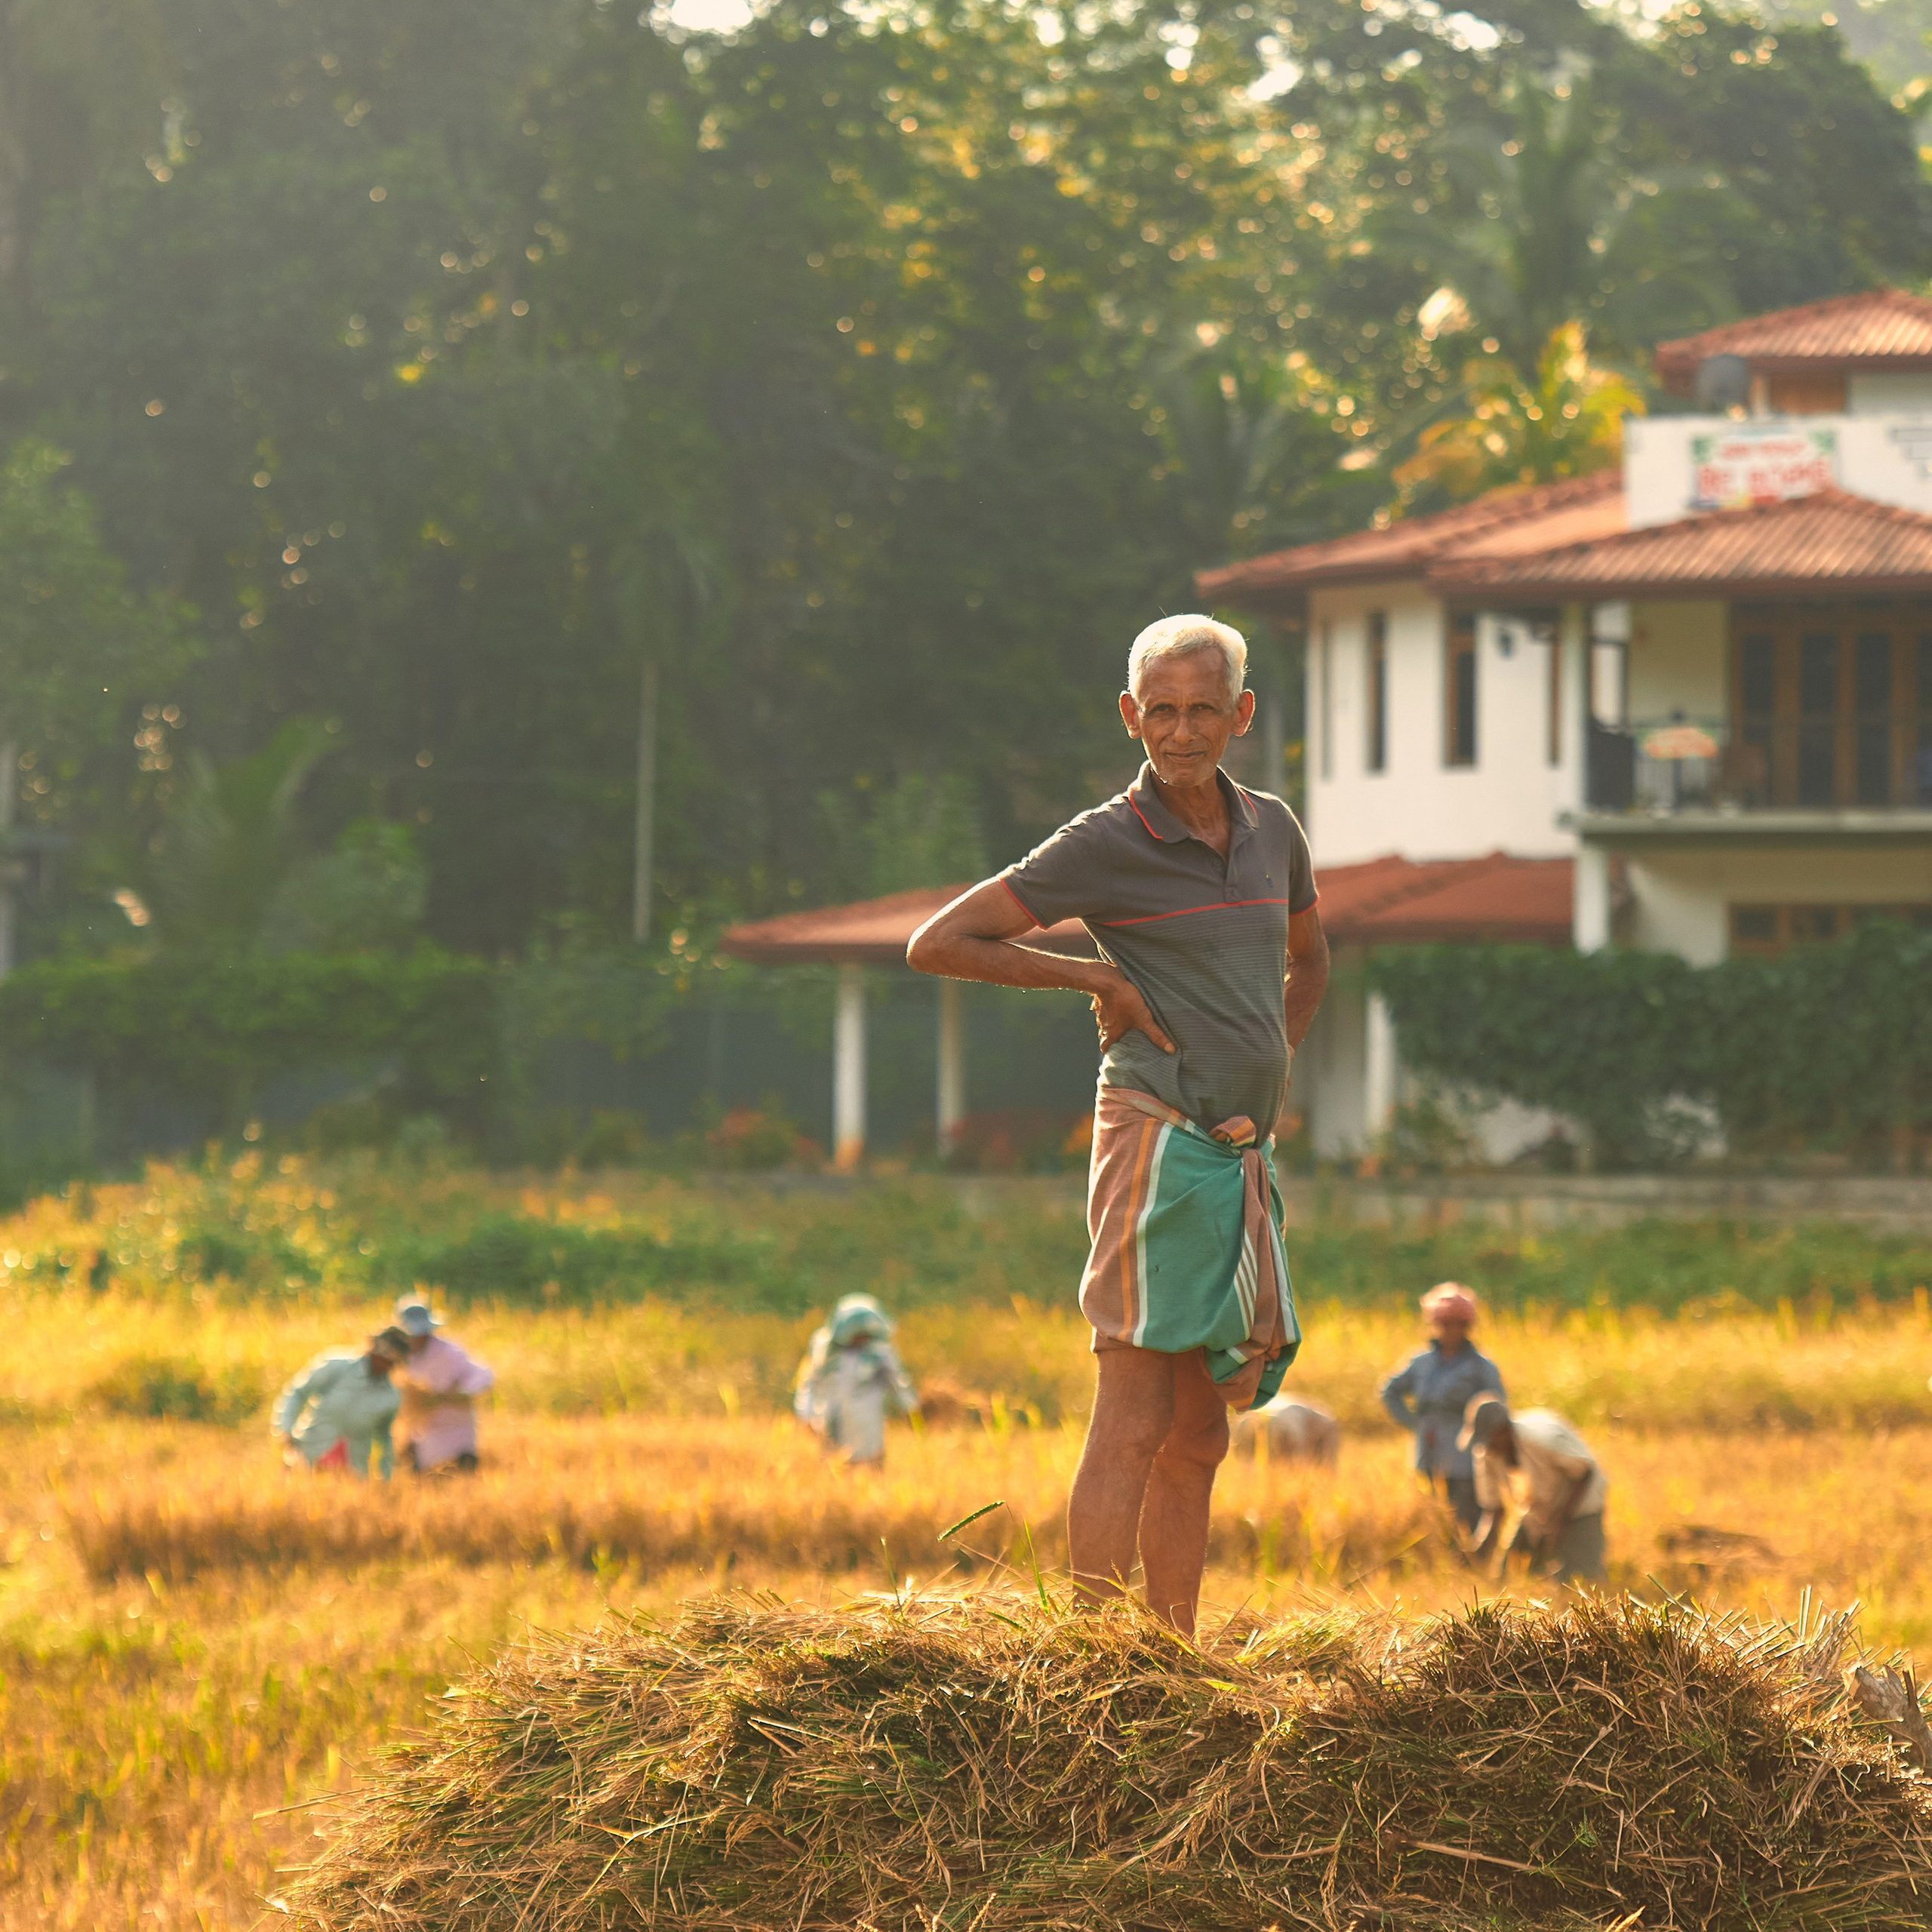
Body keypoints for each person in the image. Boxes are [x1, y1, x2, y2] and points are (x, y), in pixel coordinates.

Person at [908, 614, 1329, 1635]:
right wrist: (1094, 976)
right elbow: (941, 941)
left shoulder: (1273, 829)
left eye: (1203, 710)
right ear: (1130, 716)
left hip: (1237, 1153)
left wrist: (1269, 1065)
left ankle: (1169, 1656)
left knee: (1200, 1434)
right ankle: (1096, 1655)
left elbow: (1310, 959)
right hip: (1155, 1140)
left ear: (1241, 714)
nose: (1182, 732)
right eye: (1162, 711)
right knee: (1134, 1412)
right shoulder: (1105, 840)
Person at [1379, 1283, 1504, 1534]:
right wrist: (1413, 1423)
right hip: (1427, 1451)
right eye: (1446, 1324)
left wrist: (1483, 1439)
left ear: (1468, 1326)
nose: (1452, 1331)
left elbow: (1497, 1408)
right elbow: (1389, 1391)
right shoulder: (1421, 1362)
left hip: (1465, 1456)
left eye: (1459, 1324)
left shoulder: (1481, 1366)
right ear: (1435, 1324)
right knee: (1429, 1515)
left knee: (1465, 1518)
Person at [1460, 1392, 1608, 1585]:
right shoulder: (1486, 1451)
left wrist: (1560, 1523)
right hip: (1538, 1508)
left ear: (1504, 1431)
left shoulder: (1542, 1439)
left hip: (1581, 1501)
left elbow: (1583, 1472)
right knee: (1508, 1573)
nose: (1488, 1448)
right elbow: (1494, 1509)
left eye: (1491, 1440)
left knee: (1579, 1576)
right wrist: (1477, 1552)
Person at [793, 1293, 919, 1467]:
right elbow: (810, 1384)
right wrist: (805, 1415)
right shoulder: (825, 1351)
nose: (861, 1340)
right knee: (834, 1464)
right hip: (832, 1419)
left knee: (869, 1465)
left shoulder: (879, 1353)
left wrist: (911, 1410)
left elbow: (898, 1384)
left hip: (867, 1422)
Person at [272, 1326, 410, 1479]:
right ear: (373, 1350)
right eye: (384, 1359)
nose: (386, 1365)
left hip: (352, 1475)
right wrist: (286, 1428)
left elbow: (385, 1440)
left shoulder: (389, 1397)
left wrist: (385, 1478)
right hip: (307, 1459)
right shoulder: (337, 1366)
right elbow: (297, 1393)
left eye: (391, 1363)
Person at [391, 1296, 494, 1474]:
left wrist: (456, 1394)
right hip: (425, 1427)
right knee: (420, 1468)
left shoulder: (449, 1352)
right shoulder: (402, 1356)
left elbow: (483, 1376)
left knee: (456, 1467)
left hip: (455, 1422)